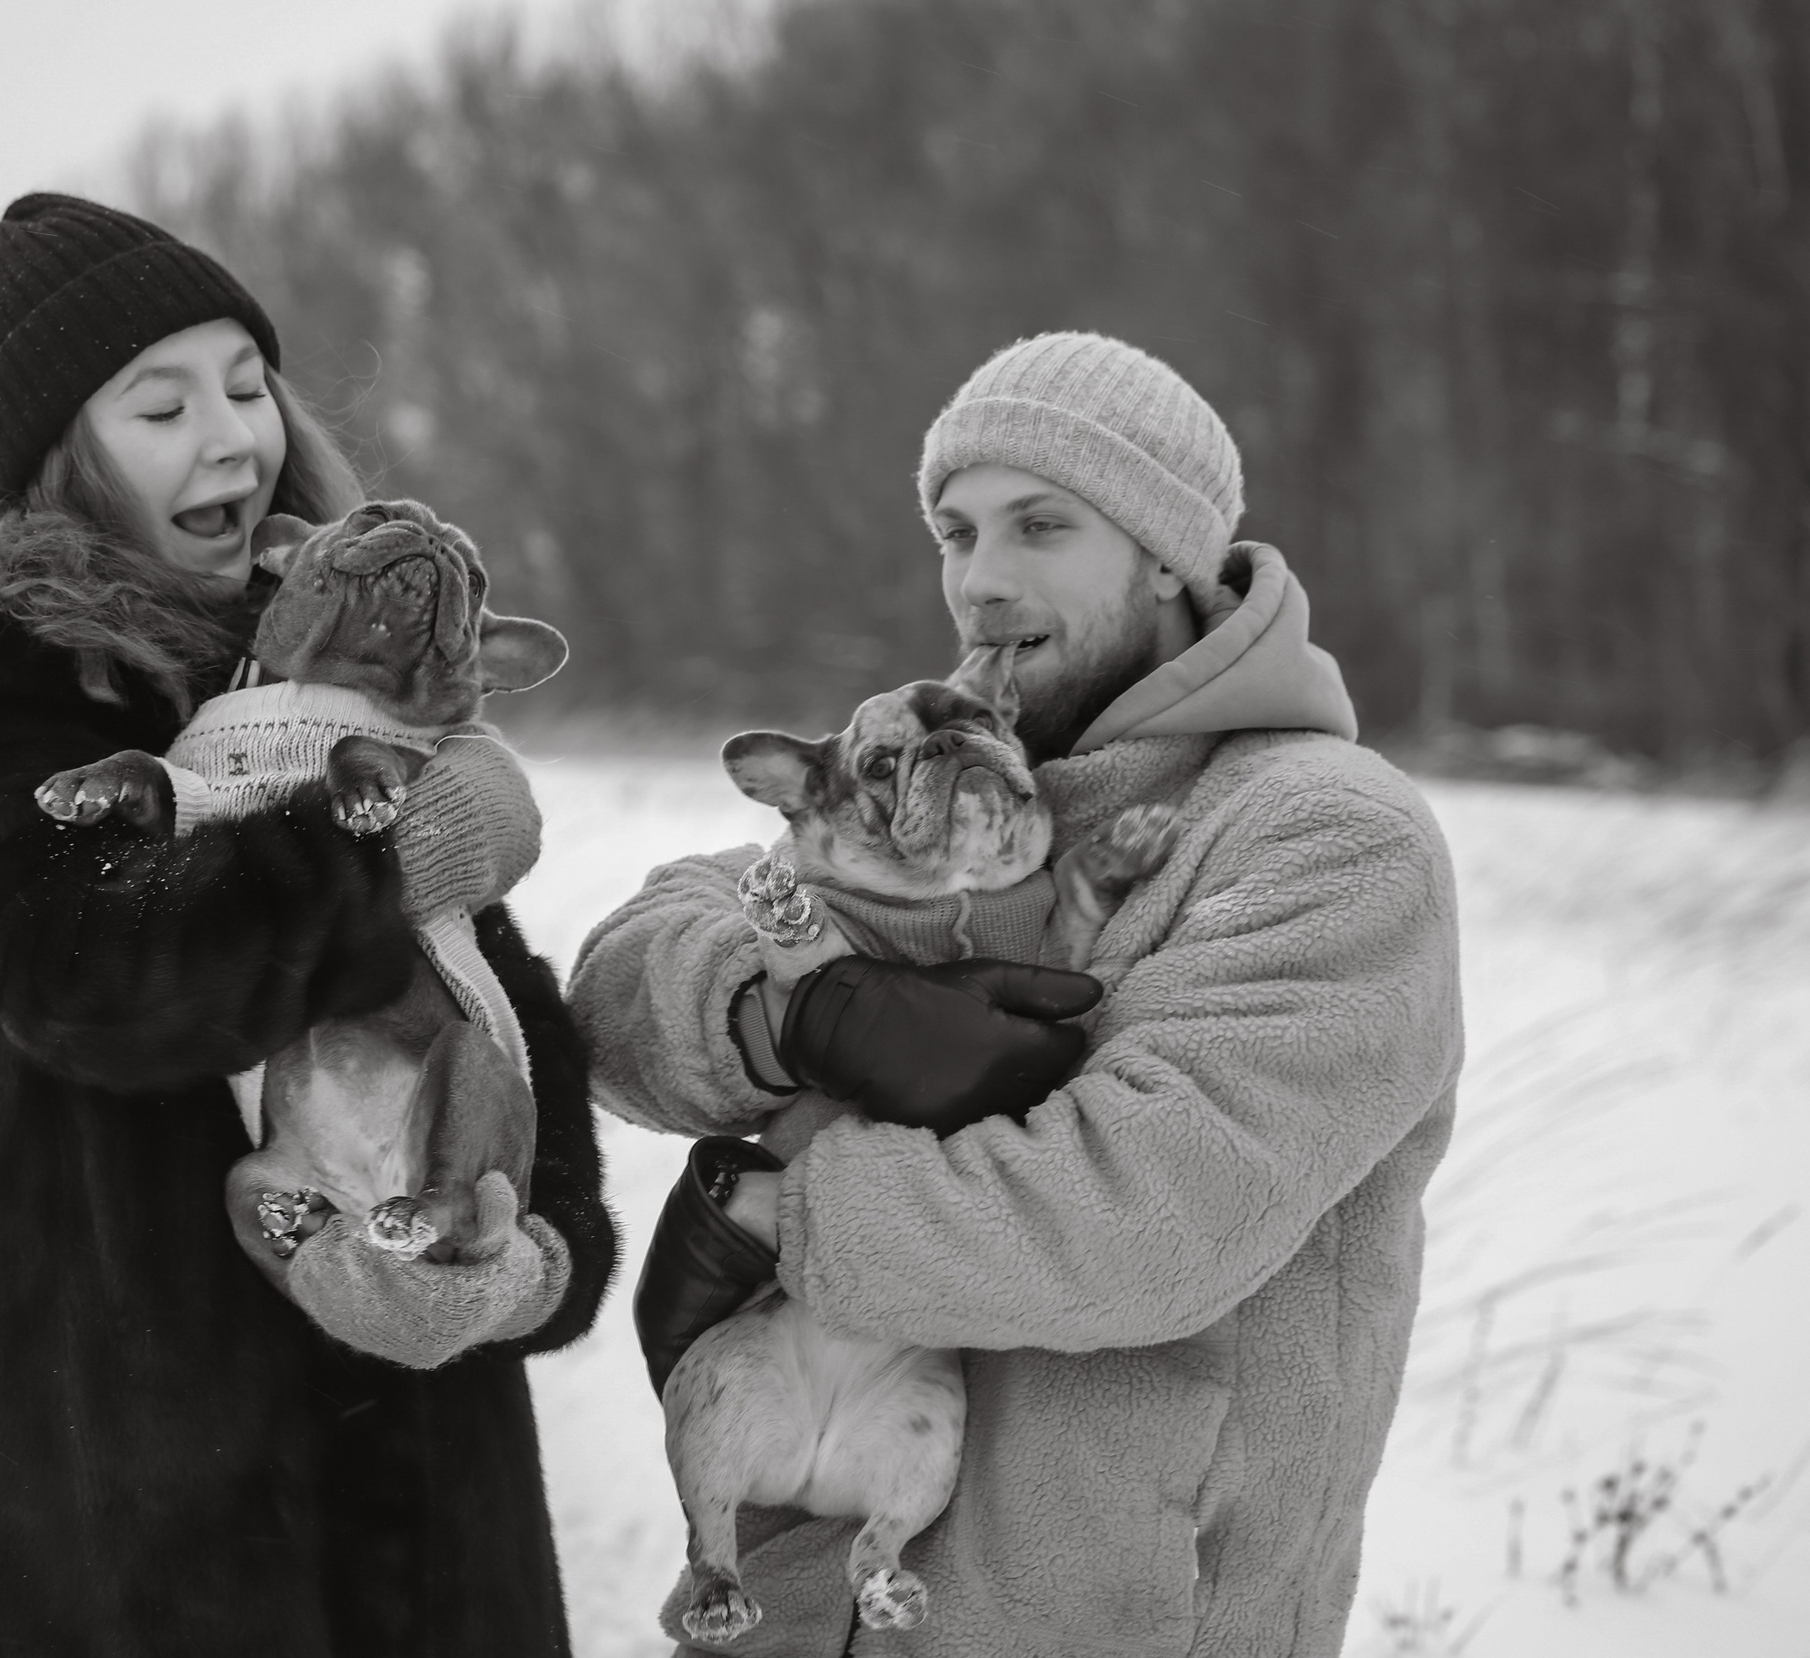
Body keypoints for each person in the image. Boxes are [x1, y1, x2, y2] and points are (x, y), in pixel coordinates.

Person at [0, 192, 614, 1656]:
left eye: (246, 385)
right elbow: (99, 970)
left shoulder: (321, 654)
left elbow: (489, 1009)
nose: (234, 439)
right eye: (162, 407)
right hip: (137, 1514)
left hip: (432, 1526)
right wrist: (405, 840)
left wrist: (525, 1258)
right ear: (55, 456)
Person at [571, 332, 1462, 1656]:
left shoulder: (1326, 834)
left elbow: (1142, 1218)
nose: (980, 578)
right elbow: (624, 982)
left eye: (1041, 525)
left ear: (1167, 553)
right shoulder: (938, 787)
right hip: (797, 1614)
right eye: (956, 531)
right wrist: (782, 1016)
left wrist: (779, 1214)